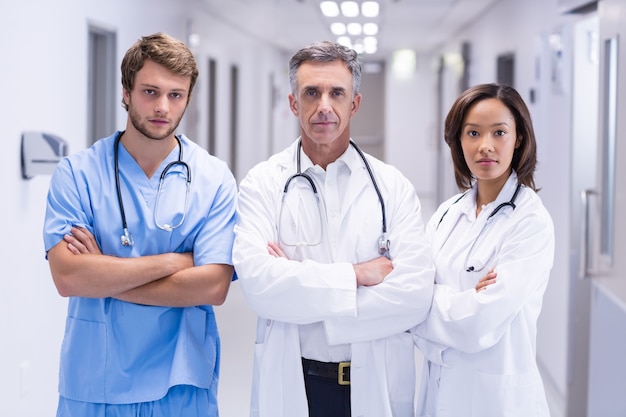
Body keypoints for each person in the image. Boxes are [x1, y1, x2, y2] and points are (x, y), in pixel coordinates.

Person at [232, 40, 435, 417]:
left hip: (375, 385)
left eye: (336, 93)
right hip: (295, 380)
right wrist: (357, 275)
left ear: (354, 104)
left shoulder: (392, 187)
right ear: (294, 103)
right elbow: (260, 287)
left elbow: (415, 296)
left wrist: (296, 283)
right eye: (311, 93)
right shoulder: (262, 183)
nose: (323, 106)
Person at [43, 32, 237, 417]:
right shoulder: (77, 173)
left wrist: (105, 274)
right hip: (97, 382)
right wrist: (176, 262)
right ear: (126, 92)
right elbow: (68, 278)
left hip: (181, 383)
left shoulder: (214, 178)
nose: (163, 106)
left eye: (176, 95)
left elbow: (214, 286)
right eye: (150, 91)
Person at [411, 83, 554, 417]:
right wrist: (461, 301)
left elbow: (479, 321)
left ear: (518, 138)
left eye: (499, 133)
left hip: (498, 402)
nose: (485, 146)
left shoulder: (530, 221)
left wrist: (425, 304)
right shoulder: (447, 214)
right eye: (473, 133)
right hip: (438, 392)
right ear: (458, 140)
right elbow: (408, 292)